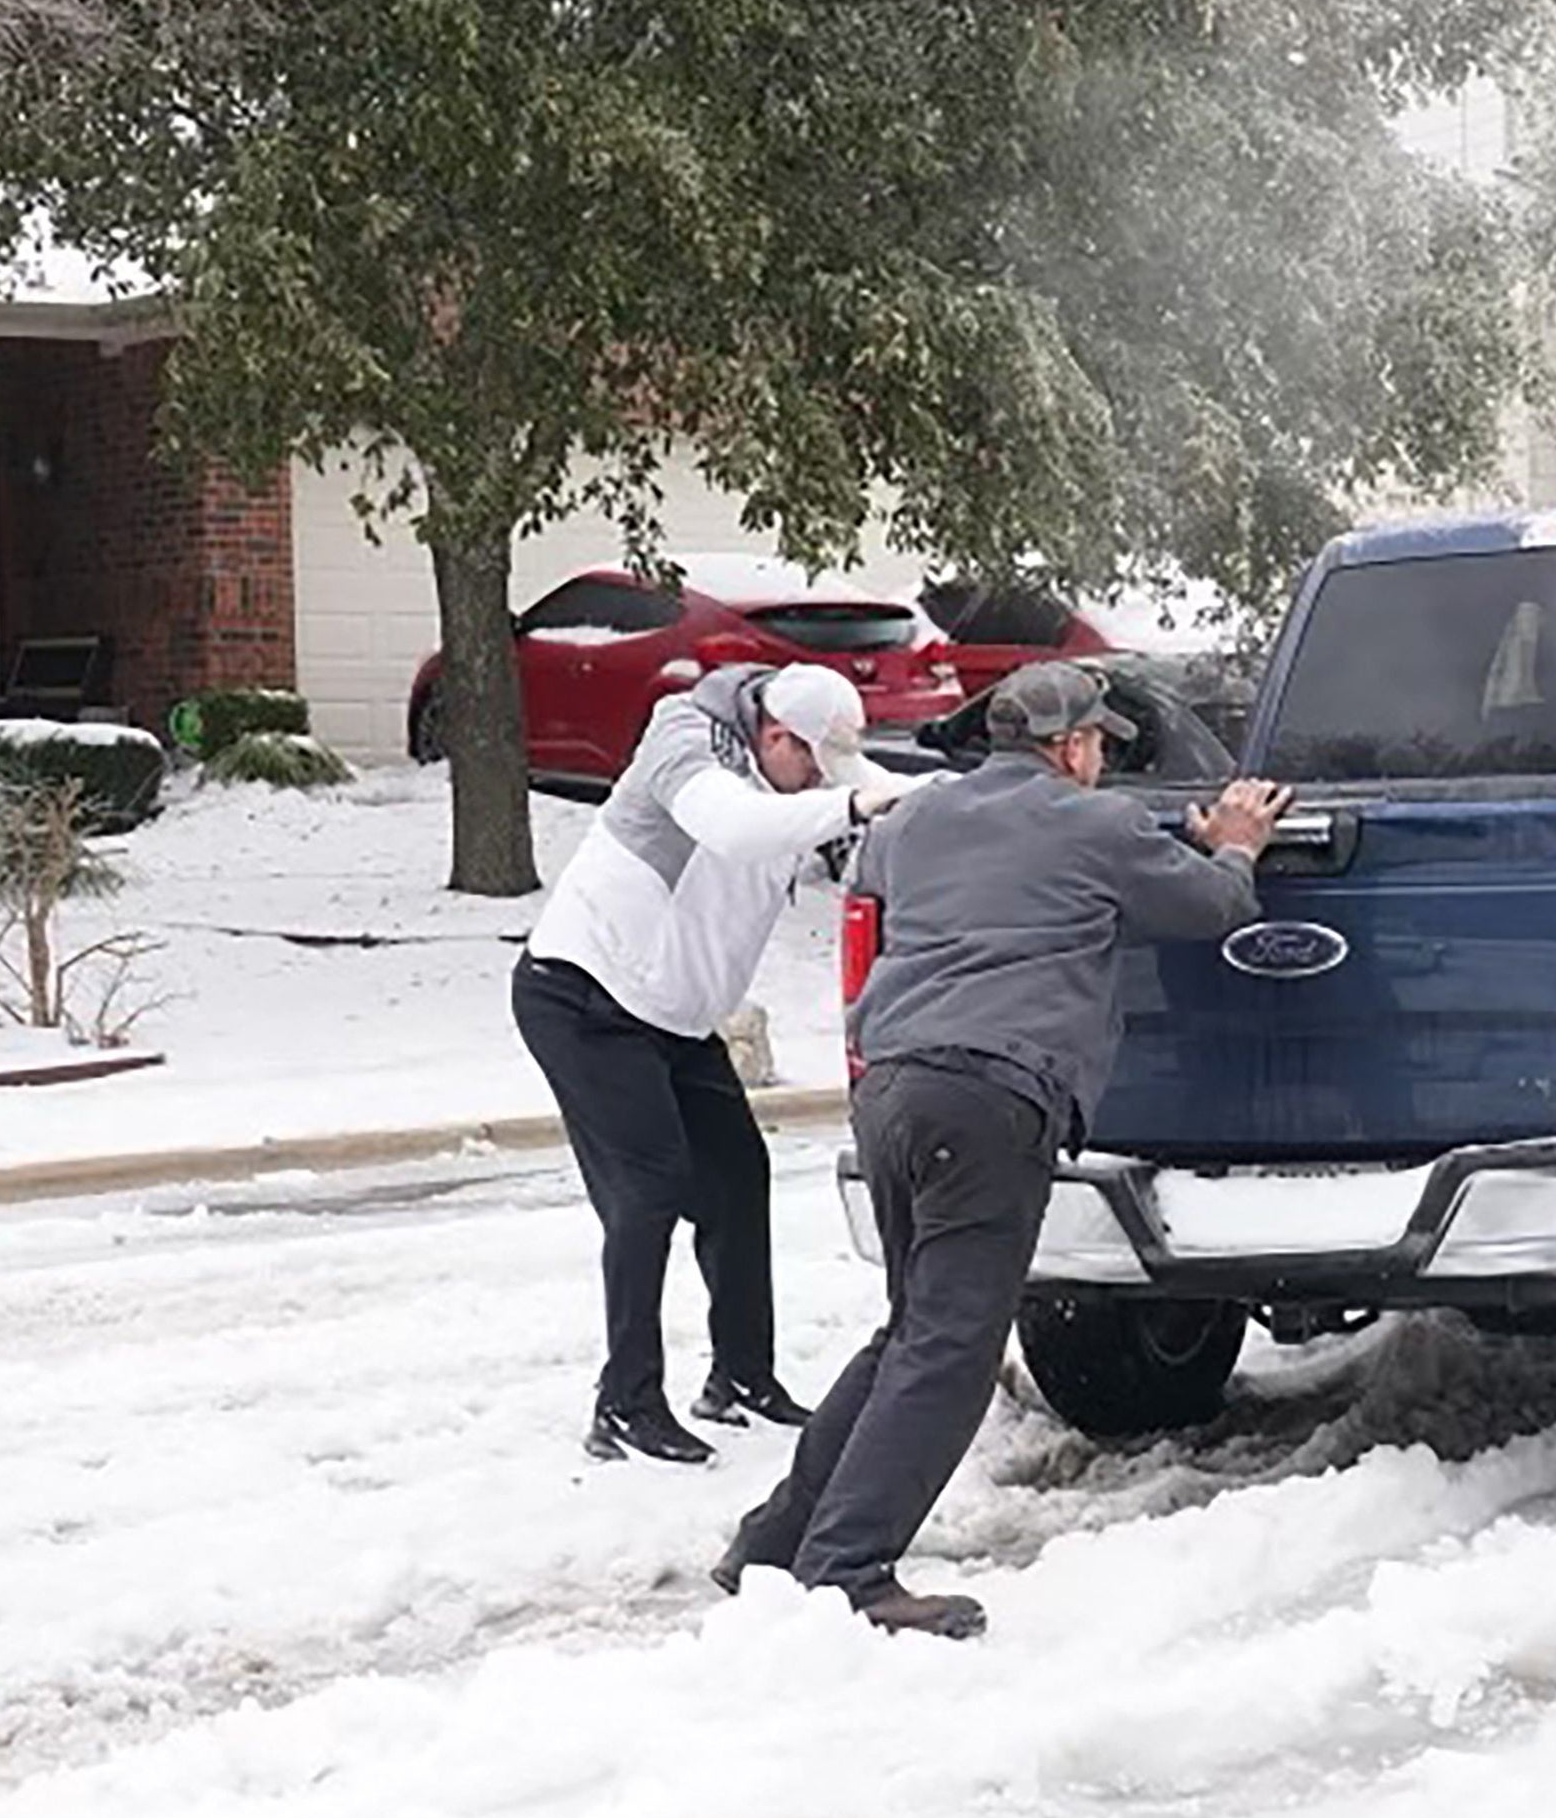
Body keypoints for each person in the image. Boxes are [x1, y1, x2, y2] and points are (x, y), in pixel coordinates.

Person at [717, 660, 1292, 1636]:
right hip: (989, 1097)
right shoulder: (1096, 825)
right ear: (1069, 747)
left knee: (911, 1330)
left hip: (893, 1087)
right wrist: (1231, 848)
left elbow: (965, 870)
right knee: (951, 1347)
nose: (1104, 758)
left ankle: (774, 1541)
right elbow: (1211, 911)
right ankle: (848, 1573)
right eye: (1100, 743)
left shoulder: (912, 822)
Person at [514, 661, 925, 1465]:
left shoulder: (796, 771)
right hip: (583, 996)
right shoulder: (684, 740)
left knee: (739, 1176)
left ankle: (741, 1378)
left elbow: (878, 795)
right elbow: (732, 826)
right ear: (774, 735)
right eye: (809, 763)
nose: (816, 782)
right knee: (648, 1190)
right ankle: (625, 1404)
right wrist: (845, 803)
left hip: (672, 1016)